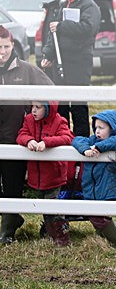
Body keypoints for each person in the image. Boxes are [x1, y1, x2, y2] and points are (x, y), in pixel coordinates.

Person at [0, 25, 53, 244]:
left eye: (5, 46)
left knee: (13, 185)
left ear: (12, 45)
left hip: (16, 139)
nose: (1, 51)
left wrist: (34, 119)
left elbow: (51, 93)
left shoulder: (27, 70)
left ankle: (7, 231)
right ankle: (12, 219)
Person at [40, 0, 101, 137]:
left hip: (79, 63)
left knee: (79, 104)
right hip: (60, 61)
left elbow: (87, 29)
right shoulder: (63, 4)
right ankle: (62, 136)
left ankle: (80, 139)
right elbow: (53, 33)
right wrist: (48, 53)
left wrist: (61, 25)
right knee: (61, 104)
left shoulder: (90, 7)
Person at [15, 101, 74, 246]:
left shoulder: (59, 121)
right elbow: (21, 135)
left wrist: (46, 142)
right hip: (37, 175)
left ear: (48, 109)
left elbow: (68, 137)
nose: (33, 110)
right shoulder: (29, 120)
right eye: (32, 107)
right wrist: (28, 140)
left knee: (53, 206)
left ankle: (62, 238)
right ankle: (50, 234)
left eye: (38, 107)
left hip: (54, 174)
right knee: (44, 206)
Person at [71, 109, 116, 248]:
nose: (97, 131)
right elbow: (76, 140)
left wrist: (99, 147)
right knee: (97, 216)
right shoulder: (91, 141)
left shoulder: (114, 141)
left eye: (101, 128)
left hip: (106, 188)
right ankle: (103, 239)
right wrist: (86, 150)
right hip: (90, 188)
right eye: (96, 127)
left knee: (99, 216)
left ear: (112, 128)